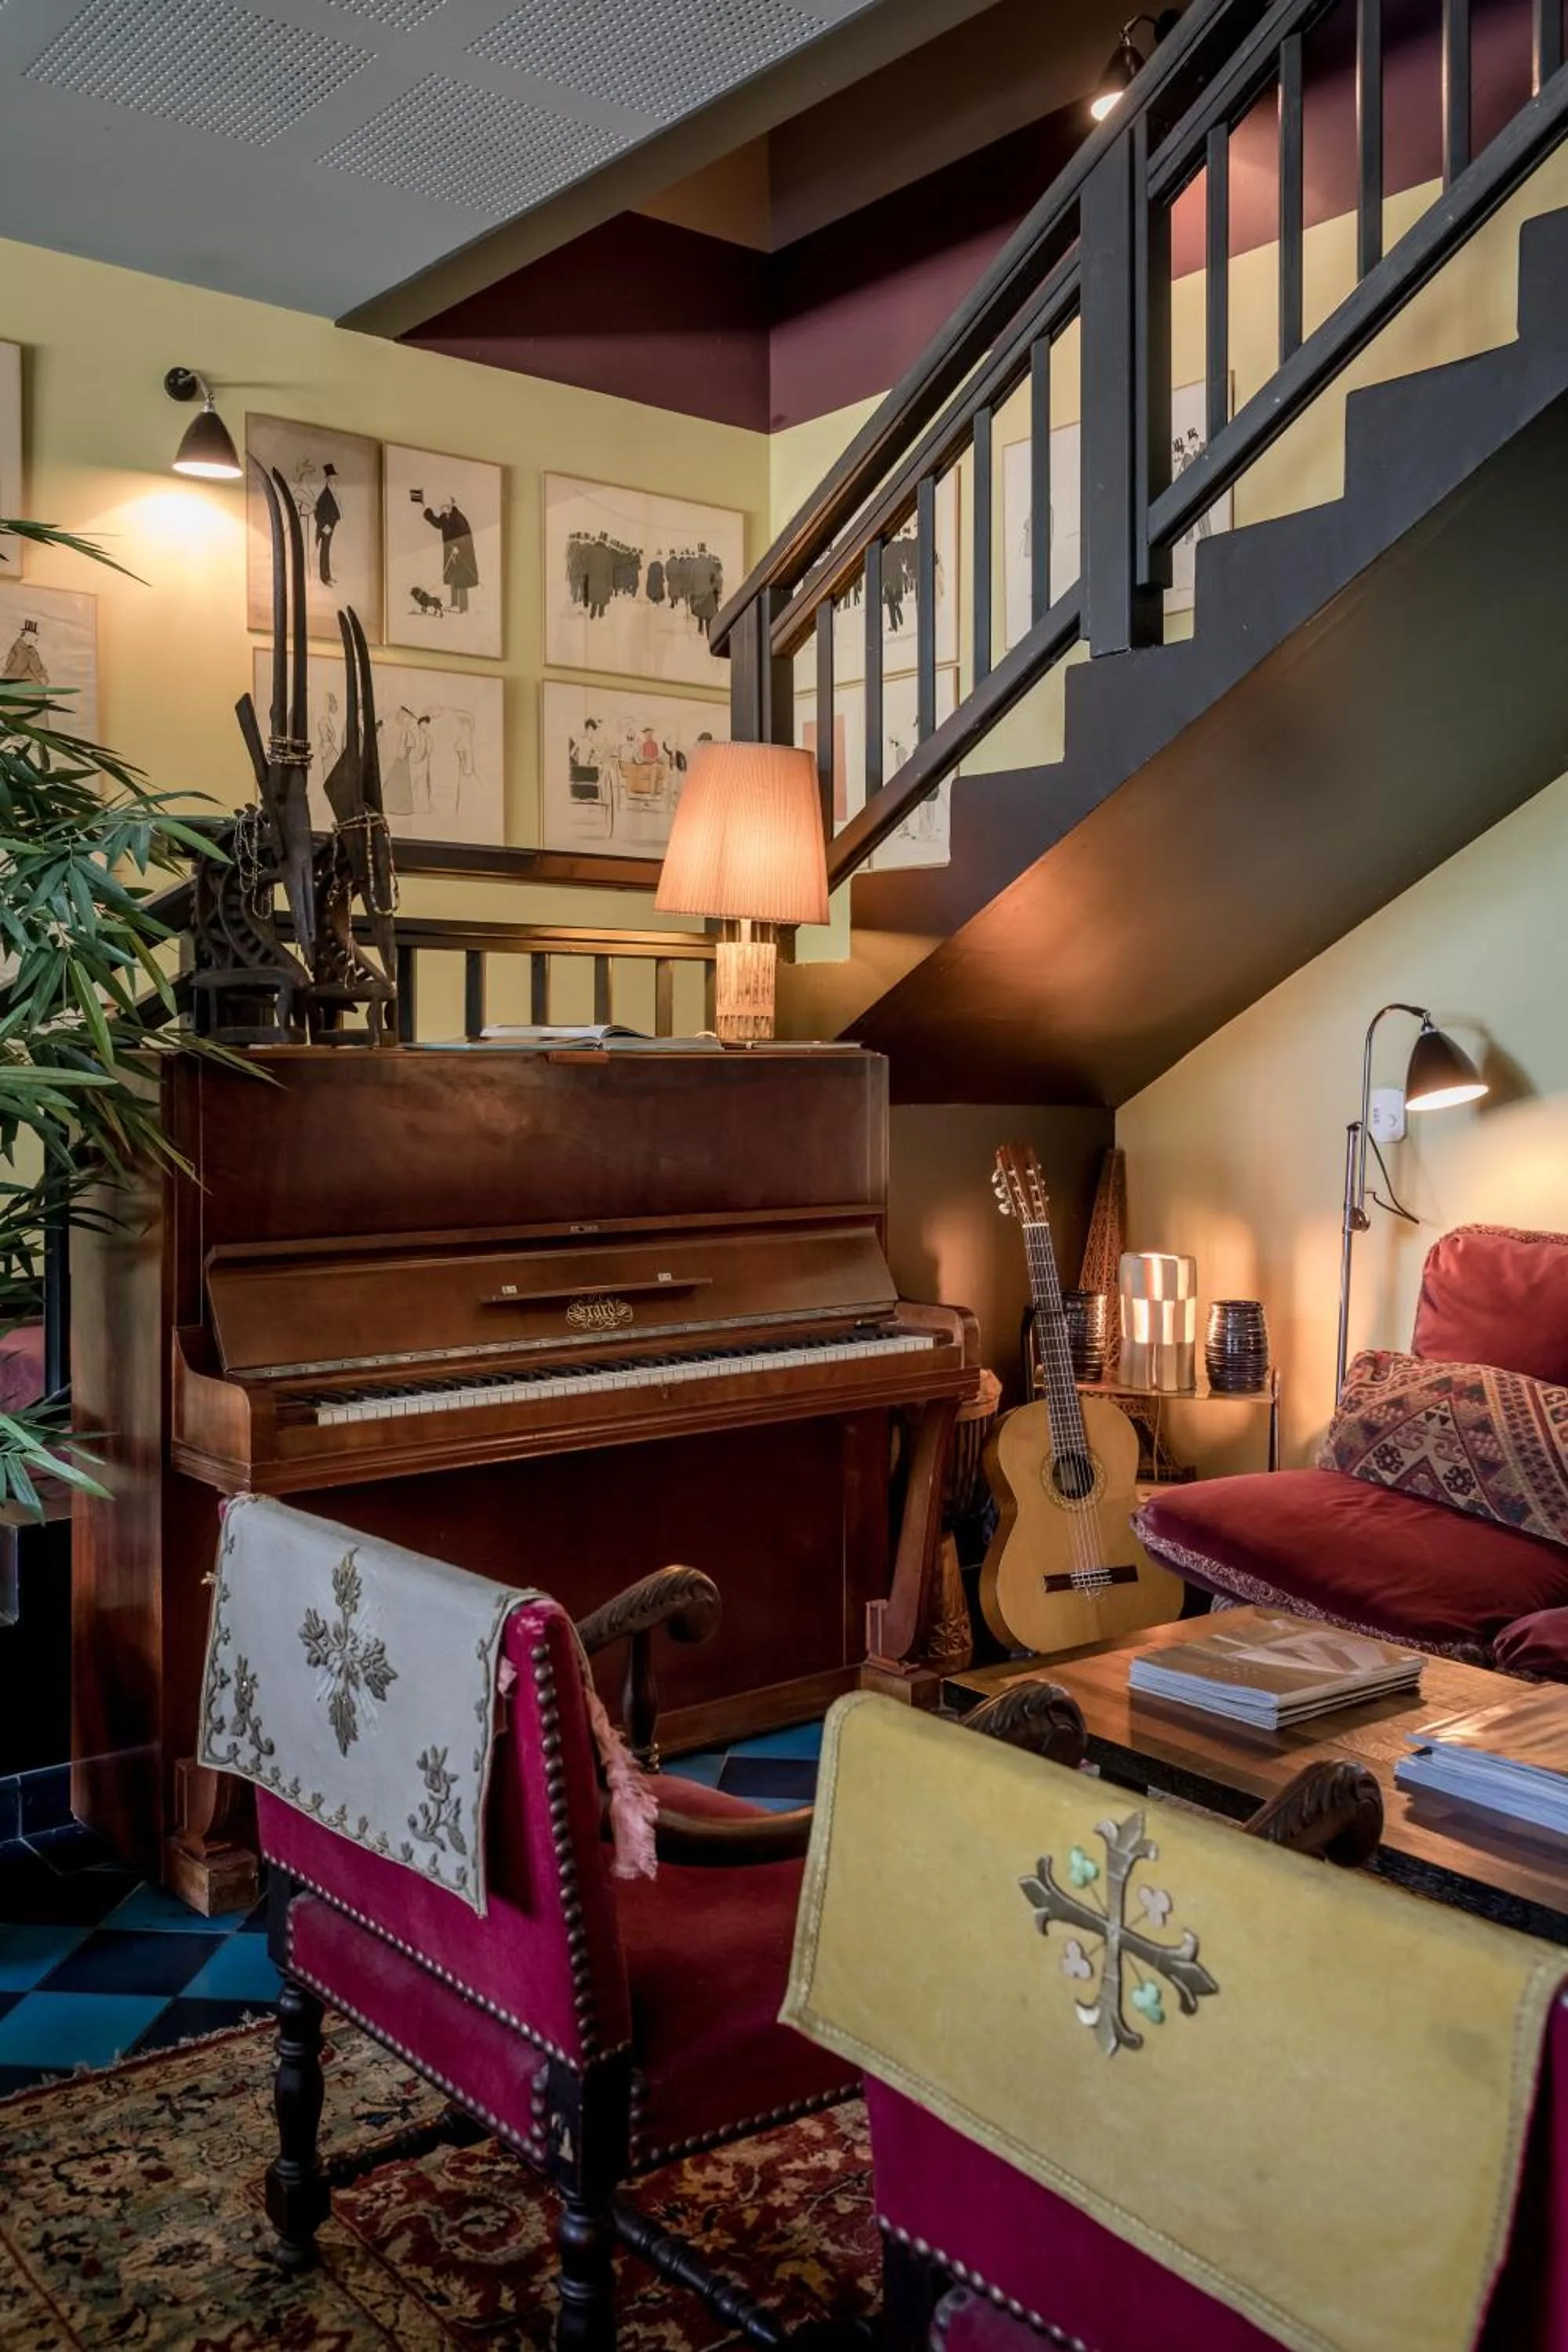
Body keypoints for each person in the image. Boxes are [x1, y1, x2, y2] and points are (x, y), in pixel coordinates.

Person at [421, 495, 478, 616]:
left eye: (446, 507)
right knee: (453, 576)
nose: (443, 509)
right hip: (451, 551)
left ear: (451, 506)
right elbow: (438, 524)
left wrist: (458, 548)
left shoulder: (459, 518)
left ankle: (464, 608)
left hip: (463, 553)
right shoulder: (445, 517)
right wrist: (428, 513)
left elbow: (465, 535)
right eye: (442, 507)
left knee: (462, 579)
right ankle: (454, 603)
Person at [314, 462, 341, 588]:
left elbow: (335, 509)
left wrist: (336, 518)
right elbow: (317, 511)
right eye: (332, 477)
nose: (333, 479)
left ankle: (327, 575)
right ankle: (324, 578)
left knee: (327, 550)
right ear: (328, 479)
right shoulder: (326, 493)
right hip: (326, 528)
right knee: (324, 551)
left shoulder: (332, 492)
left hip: (330, 526)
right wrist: (324, 526)